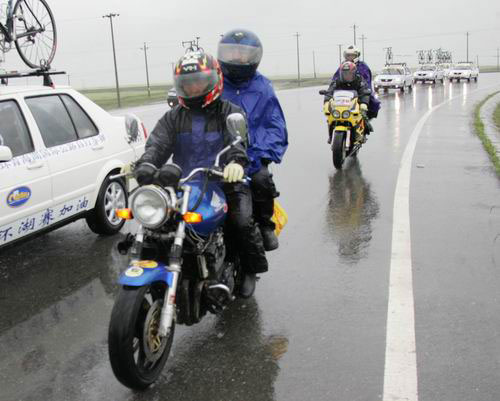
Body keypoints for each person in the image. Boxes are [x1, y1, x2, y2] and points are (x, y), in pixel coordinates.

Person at [132, 50, 267, 298]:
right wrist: (145, 165)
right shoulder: (173, 117)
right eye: (187, 84)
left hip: (224, 178)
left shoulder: (229, 111)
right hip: (184, 182)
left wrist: (235, 161)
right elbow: (157, 145)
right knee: (157, 225)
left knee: (241, 221)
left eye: (198, 82)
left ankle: (249, 268)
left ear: (214, 81)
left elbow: (238, 140)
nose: (193, 88)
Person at [217, 29, 288, 252]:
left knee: (261, 180)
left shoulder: (263, 87)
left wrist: (263, 153)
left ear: (253, 57)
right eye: (232, 52)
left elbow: (275, 125)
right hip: (218, 153)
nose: (237, 58)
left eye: (243, 53)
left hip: (253, 152)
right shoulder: (215, 84)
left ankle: (266, 225)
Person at [324, 61, 372, 144]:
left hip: (355, 103)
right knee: (329, 117)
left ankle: (362, 134)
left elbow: (364, 91)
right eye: (345, 73)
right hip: (340, 104)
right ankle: (331, 135)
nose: (347, 75)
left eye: (349, 73)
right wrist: (327, 101)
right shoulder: (337, 81)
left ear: (354, 73)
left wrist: (364, 103)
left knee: (363, 115)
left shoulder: (359, 81)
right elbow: (330, 91)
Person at [333, 45, 381, 120]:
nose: (350, 57)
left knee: (373, 102)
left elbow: (366, 82)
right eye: (348, 55)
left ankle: (366, 120)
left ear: (357, 56)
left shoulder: (363, 66)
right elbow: (335, 78)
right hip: (344, 93)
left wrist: (364, 90)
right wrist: (332, 88)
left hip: (359, 91)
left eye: (352, 55)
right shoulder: (343, 66)